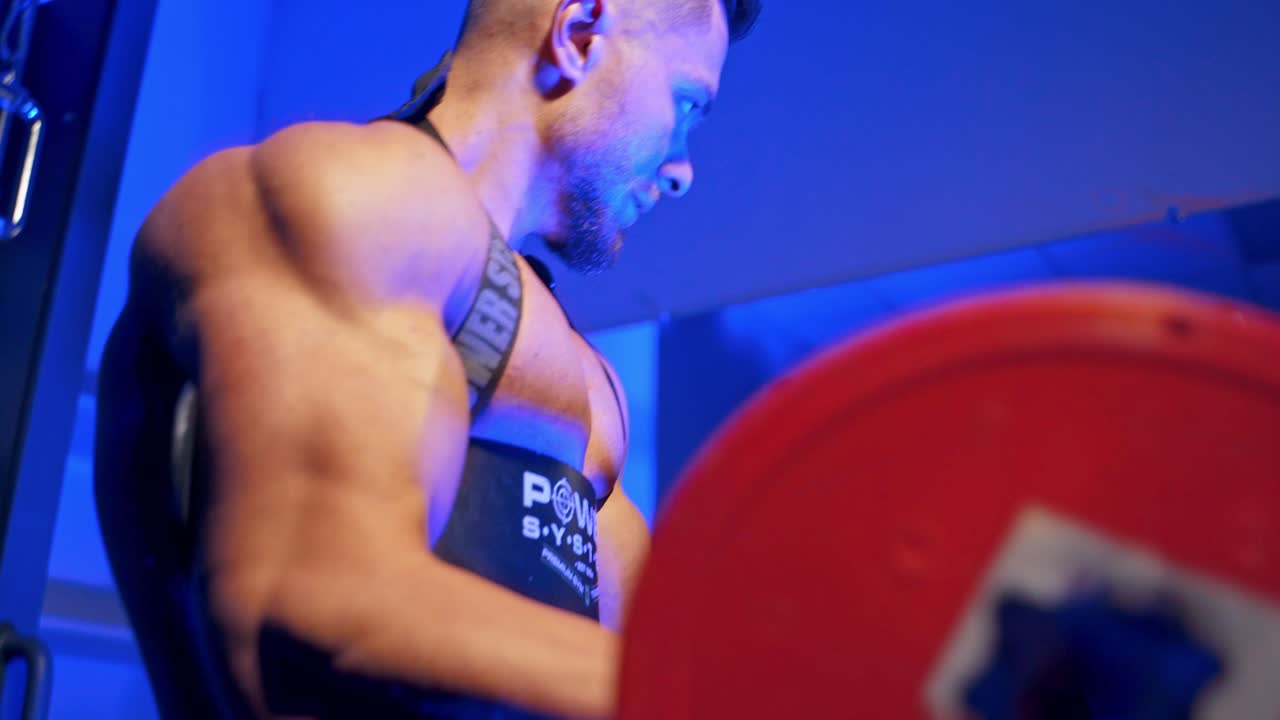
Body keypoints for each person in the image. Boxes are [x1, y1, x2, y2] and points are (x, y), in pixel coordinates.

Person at [93, 0, 760, 717]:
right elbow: (310, 610)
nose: (684, 170)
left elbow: (656, 652)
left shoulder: (589, 382)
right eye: (686, 102)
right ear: (580, 34)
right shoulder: (352, 193)